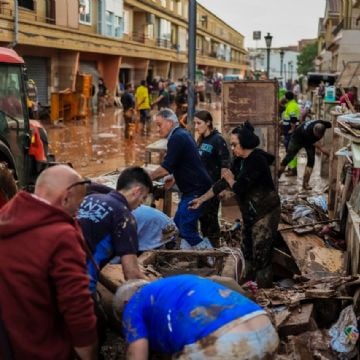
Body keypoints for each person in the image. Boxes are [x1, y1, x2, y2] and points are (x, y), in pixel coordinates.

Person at [0, 165, 97, 360]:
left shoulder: (7, 216)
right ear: (66, 197)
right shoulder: (61, 235)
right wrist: (88, 352)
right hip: (41, 348)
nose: (76, 216)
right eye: (76, 209)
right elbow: (77, 304)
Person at [190, 122, 280, 288]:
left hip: (265, 212)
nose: (232, 148)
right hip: (250, 212)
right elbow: (221, 184)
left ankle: (265, 292)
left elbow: (238, 187)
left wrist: (229, 177)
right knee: (247, 250)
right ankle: (248, 286)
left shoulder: (257, 160)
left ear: (245, 143)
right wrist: (201, 199)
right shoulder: (239, 160)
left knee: (261, 253)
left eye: (234, 144)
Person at [114, 275, 279, 359]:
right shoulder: (176, 284)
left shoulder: (133, 303)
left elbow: (137, 352)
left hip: (224, 344)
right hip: (266, 330)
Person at [77, 166, 153, 294]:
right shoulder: (124, 217)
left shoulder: (89, 198)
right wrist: (158, 290)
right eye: (144, 198)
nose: (141, 204)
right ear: (137, 191)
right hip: (79, 284)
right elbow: (132, 275)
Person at [149, 108, 213, 249]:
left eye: (159, 125)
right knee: (177, 225)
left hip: (196, 190)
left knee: (185, 227)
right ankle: (187, 255)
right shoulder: (182, 134)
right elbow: (185, 162)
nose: (158, 129)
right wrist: (174, 177)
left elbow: (165, 168)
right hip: (193, 188)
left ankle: (211, 257)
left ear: (170, 123)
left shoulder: (177, 137)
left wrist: (143, 178)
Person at [194, 110, 231, 247]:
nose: (196, 127)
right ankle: (206, 249)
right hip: (201, 188)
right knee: (202, 220)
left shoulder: (217, 139)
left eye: (199, 123)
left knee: (211, 221)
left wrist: (222, 188)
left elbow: (225, 164)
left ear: (208, 123)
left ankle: (215, 249)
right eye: (195, 123)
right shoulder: (201, 139)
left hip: (213, 188)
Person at [278, 119, 331, 190]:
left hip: (309, 139)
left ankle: (305, 183)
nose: (318, 137)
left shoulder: (323, 123)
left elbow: (332, 124)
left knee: (311, 160)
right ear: (314, 131)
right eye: (317, 136)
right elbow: (319, 147)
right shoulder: (308, 132)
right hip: (297, 139)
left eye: (319, 136)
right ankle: (278, 174)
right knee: (289, 157)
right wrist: (328, 153)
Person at [282, 91, 300, 176]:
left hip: (290, 132)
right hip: (288, 131)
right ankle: (290, 168)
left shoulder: (292, 106)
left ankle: (292, 170)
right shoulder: (291, 104)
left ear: (286, 97)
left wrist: (292, 129)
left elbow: (293, 119)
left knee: (291, 151)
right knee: (289, 151)